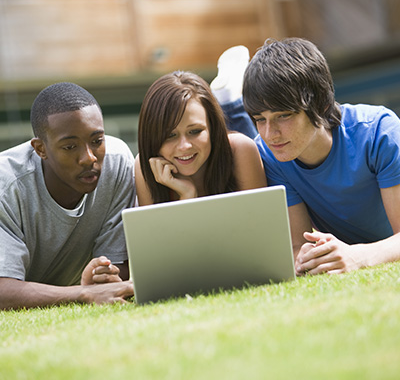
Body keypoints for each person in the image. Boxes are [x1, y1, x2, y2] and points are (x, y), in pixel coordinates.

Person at [216, 38, 400, 276]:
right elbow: (299, 246)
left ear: (322, 104)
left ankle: (232, 104)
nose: (270, 134)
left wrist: (358, 256)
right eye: (260, 119)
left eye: (284, 116)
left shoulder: (379, 133)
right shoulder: (271, 155)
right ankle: (233, 103)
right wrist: (306, 258)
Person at [0, 82, 135, 310]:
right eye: (70, 147)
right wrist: (84, 293)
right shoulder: (7, 184)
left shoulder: (118, 163)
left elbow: (115, 270)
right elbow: (3, 291)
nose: (89, 158)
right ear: (40, 149)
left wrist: (103, 275)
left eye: (97, 141)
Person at [135, 71, 266, 206]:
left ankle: (230, 100)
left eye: (195, 131)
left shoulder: (242, 149)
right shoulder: (144, 166)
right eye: (170, 136)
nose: (184, 146)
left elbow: (263, 222)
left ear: (212, 128)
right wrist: (187, 195)